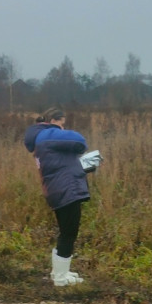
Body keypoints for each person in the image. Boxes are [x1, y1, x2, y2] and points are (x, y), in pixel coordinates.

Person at [24, 108, 91, 286]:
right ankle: (61, 278)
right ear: (53, 121)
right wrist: (60, 131)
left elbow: (60, 161)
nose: (63, 127)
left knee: (65, 231)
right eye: (62, 123)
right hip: (66, 189)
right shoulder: (48, 134)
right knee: (69, 232)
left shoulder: (40, 139)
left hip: (57, 189)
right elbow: (79, 140)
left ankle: (59, 272)